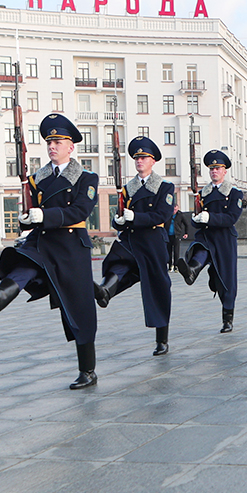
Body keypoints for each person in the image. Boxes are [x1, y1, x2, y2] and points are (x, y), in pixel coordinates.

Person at [0, 114, 100, 389]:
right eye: (49, 142)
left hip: (71, 246)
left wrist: (44, 215)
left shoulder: (87, 177)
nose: (52, 146)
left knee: (79, 308)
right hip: (43, 241)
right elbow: (31, 211)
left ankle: (88, 370)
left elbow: (80, 211)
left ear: (71, 146)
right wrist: (27, 219)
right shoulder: (37, 179)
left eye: (58, 141)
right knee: (24, 265)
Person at [94, 136, 175, 356]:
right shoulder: (127, 189)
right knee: (118, 264)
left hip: (152, 241)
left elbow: (162, 215)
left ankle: (162, 339)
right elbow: (119, 216)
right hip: (130, 240)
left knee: (158, 288)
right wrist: (117, 221)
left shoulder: (165, 187)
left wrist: (135, 216)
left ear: (153, 161)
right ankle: (105, 290)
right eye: (137, 158)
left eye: (144, 157)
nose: (140, 161)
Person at [176, 150, 243, 333]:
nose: (214, 171)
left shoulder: (234, 193)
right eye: (212, 168)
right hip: (206, 236)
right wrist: (196, 220)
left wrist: (209, 217)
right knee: (200, 250)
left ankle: (227, 319)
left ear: (225, 171)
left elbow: (231, 218)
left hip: (224, 239)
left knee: (226, 280)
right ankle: (191, 271)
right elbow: (194, 220)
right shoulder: (202, 194)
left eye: (218, 168)